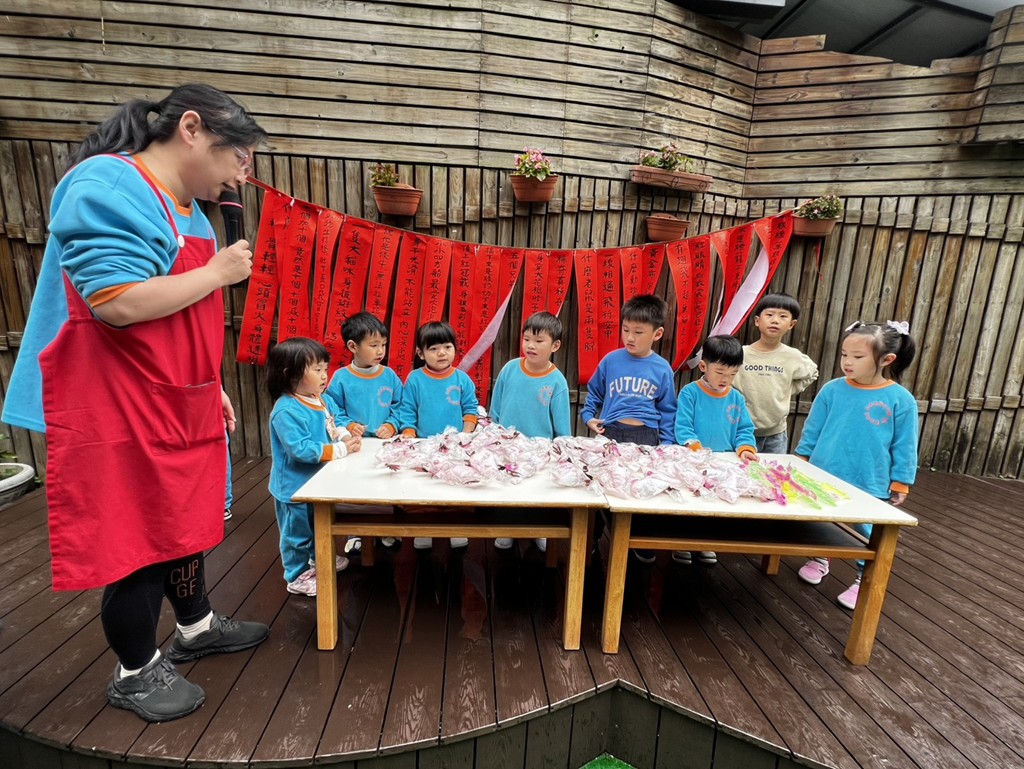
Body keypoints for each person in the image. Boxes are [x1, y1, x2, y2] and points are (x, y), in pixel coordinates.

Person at [1, 84, 270, 723]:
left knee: (184, 515)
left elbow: (182, 312)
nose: (242, 176)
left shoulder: (189, 209)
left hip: (177, 394)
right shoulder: (109, 185)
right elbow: (115, 302)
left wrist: (210, 382)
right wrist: (217, 272)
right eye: (238, 158)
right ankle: (136, 670)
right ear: (193, 129)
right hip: (117, 400)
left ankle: (195, 625)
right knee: (141, 532)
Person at [794, 320, 918, 609]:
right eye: (844, 354)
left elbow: (905, 445)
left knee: (867, 531)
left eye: (858, 356)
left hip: (870, 478)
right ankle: (820, 557)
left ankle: (865, 578)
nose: (847, 362)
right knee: (822, 520)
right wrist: (801, 458)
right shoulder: (832, 389)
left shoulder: (901, 399)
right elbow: (813, 428)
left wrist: (901, 482)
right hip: (824, 472)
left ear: (887, 359)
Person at [581, 294, 677, 563]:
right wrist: (588, 418)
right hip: (610, 432)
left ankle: (641, 540)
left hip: (646, 436)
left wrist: (667, 444)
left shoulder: (662, 368)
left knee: (642, 489)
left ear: (657, 334)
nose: (630, 337)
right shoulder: (611, 360)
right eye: (625, 330)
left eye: (638, 332)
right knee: (601, 488)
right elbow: (594, 394)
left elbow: (668, 410)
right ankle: (591, 539)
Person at [268, 337, 360, 596]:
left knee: (316, 523)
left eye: (325, 368)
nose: (324, 375)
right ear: (290, 374)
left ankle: (316, 559)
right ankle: (296, 575)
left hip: (317, 482)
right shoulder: (286, 410)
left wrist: (345, 436)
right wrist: (339, 449)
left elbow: (334, 421)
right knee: (296, 534)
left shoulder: (321, 398)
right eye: (317, 369)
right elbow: (300, 450)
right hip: (294, 488)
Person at [489, 311, 571, 553]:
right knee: (507, 489)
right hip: (506, 446)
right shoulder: (509, 369)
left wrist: (561, 451)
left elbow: (562, 427)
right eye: (526, 339)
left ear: (555, 345)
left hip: (539, 451)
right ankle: (507, 529)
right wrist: (494, 434)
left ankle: (539, 530)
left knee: (537, 491)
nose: (530, 345)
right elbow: (496, 407)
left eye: (539, 340)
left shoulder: (557, 381)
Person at [674, 334, 758, 566]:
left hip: (724, 463)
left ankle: (706, 542)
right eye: (720, 372)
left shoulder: (737, 398)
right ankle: (683, 543)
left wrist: (745, 448)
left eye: (732, 374)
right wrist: (694, 447)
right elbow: (683, 427)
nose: (725, 379)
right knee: (691, 502)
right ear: (703, 366)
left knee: (717, 503)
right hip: (694, 461)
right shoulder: (690, 392)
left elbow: (745, 429)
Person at [325, 311, 403, 555]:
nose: (380, 351)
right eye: (373, 345)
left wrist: (392, 425)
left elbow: (402, 406)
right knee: (355, 488)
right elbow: (332, 409)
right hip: (355, 446)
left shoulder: (389, 375)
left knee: (387, 486)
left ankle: (386, 529)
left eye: (383, 345)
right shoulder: (341, 378)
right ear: (352, 346)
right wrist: (348, 425)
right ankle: (355, 532)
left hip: (385, 445)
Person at [396, 321, 480, 549]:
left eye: (447, 347)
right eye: (433, 348)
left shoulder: (462, 379)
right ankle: (424, 530)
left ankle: (456, 530)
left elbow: (470, 409)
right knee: (423, 489)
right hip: (424, 445)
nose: (441, 353)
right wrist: (409, 433)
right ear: (420, 353)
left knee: (456, 487)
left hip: (456, 447)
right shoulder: (415, 379)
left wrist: (465, 436)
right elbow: (407, 410)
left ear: (455, 348)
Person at [733, 293, 818, 454]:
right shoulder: (741, 354)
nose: (775, 320)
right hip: (740, 431)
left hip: (776, 435)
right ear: (757, 321)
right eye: (770, 315)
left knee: (773, 469)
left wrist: (789, 389)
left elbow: (813, 373)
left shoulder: (792, 356)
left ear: (792, 324)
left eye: (783, 316)